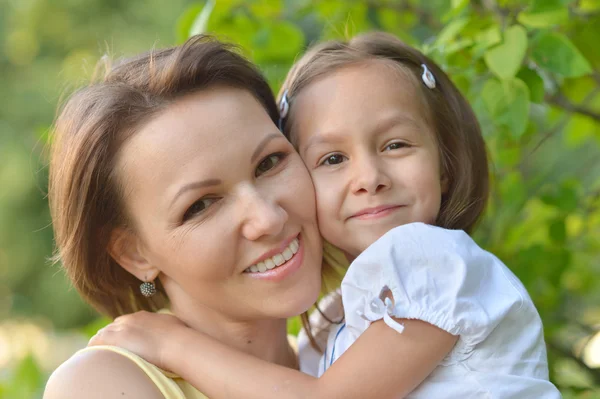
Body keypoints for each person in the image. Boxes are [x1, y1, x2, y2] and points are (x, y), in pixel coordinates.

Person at [90, 32, 561, 398]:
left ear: (445, 165)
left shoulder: (430, 261)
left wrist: (174, 346)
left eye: (395, 145)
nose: (369, 177)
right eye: (332, 159)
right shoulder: (335, 321)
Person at [42, 35, 325, 399]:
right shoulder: (99, 383)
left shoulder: (352, 353)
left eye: (269, 163)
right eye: (201, 205)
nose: (267, 219)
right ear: (134, 254)